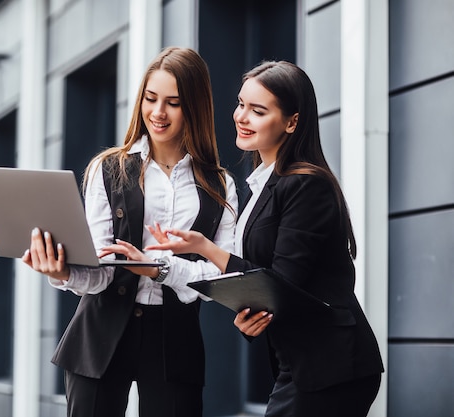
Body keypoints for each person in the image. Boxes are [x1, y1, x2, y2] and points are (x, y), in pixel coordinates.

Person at [145, 60, 384, 417]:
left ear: (292, 122)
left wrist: (206, 249)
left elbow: (281, 284)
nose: (242, 117)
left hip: (331, 365)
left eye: (258, 110)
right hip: (303, 363)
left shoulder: (306, 185)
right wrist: (247, 312)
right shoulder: (262, 185)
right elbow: (267, 281)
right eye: (241, 104)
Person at [22, 46, 238, 417]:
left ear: (195, 107)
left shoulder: (220, 185)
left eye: (173, 102)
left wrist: (162, 269)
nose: (158, 113)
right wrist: (64, 272)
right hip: (101, 332)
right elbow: (101, 268)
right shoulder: (108, 169)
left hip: (176, 339)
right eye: (151, 99)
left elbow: (225, 274)